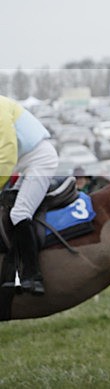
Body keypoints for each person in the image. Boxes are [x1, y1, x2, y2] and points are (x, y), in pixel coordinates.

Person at [0, 96, 58, 295]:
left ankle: (33, 276)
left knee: (19, 213)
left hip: (39, 161)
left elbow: (7, 154)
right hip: (25, 164)